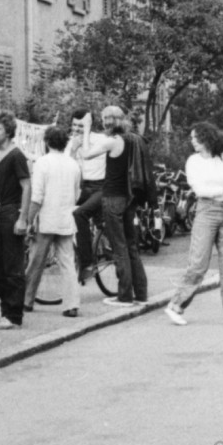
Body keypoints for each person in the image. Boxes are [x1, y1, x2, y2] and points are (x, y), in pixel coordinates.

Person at [165, 122, 223, 326]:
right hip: (206, 211)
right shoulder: (193, 161)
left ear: (206, 138)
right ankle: (175, 306)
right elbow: (199, 190)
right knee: (198, 264)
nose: (192, 141)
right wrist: (222, 189)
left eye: (195, 138)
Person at [79, 104, 149, 309]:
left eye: (103, 119)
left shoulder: (112, 142)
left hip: (113, 197)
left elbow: (86, 154)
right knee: (131, 245)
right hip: (129, 198)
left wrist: (86, 129)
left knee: (119, 247)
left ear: (107, 121)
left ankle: (125, 296)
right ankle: (141, 293)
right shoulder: (133, 140)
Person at [23, 125, 83, 317]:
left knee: (36, 261)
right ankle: (71, 304)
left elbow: (37, 196)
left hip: (46, 219)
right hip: (66, 219)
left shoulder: (42, 163)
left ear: (47, 142)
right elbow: (77, 193)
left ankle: (27, 300)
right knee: (67, 262)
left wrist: (28, 220)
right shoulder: (73, 164)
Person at [0, 111, 32, 329]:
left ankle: (14, 315)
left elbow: (26, 186)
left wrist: (23, 218)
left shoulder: (16, 155)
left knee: (13, 266)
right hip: (0, 210)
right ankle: (5, 312)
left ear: (8, 131)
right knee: (1, 265)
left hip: (13, 212)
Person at [70, 102, 107, 283]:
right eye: (74, 125)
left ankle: (87, 264)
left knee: (79, 214)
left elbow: (87, 153)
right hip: (84, 187)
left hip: (101, 187)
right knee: (65, 208)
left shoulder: (99, 140)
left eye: (81, 125)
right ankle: (79, 246)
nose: (77, 129)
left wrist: (86, 130)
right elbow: (67, 167)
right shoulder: (72, 142)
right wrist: (72, 149)